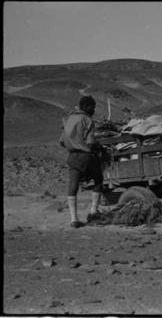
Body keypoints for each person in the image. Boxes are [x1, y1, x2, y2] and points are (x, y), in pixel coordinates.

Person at [59, 95, 104, 228]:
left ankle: (74, 220)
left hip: (72, 157)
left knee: (73, 185)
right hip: (85, 156)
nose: (94, 110)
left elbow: (61, 141)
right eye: (93, 108)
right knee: (99, 180)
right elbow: (90, 142)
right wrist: (98, 146)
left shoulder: (68, 119)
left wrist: (73, 144)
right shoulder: (87, 120)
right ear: (88, 107)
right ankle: (93, 212)